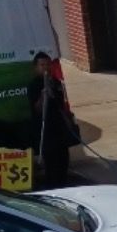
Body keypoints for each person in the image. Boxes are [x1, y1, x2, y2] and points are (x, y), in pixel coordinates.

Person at [28, 51, 77, 188]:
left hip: (59, 129)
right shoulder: (34, 85)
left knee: (63, 161)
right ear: (36, 67)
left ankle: (64, 186)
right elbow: (37, 109)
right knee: (51, 165)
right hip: (46, 131)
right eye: (42, 65)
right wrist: (44, 95)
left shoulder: (56, 83)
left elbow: (61, 105)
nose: (46, 68)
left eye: (48, 64)